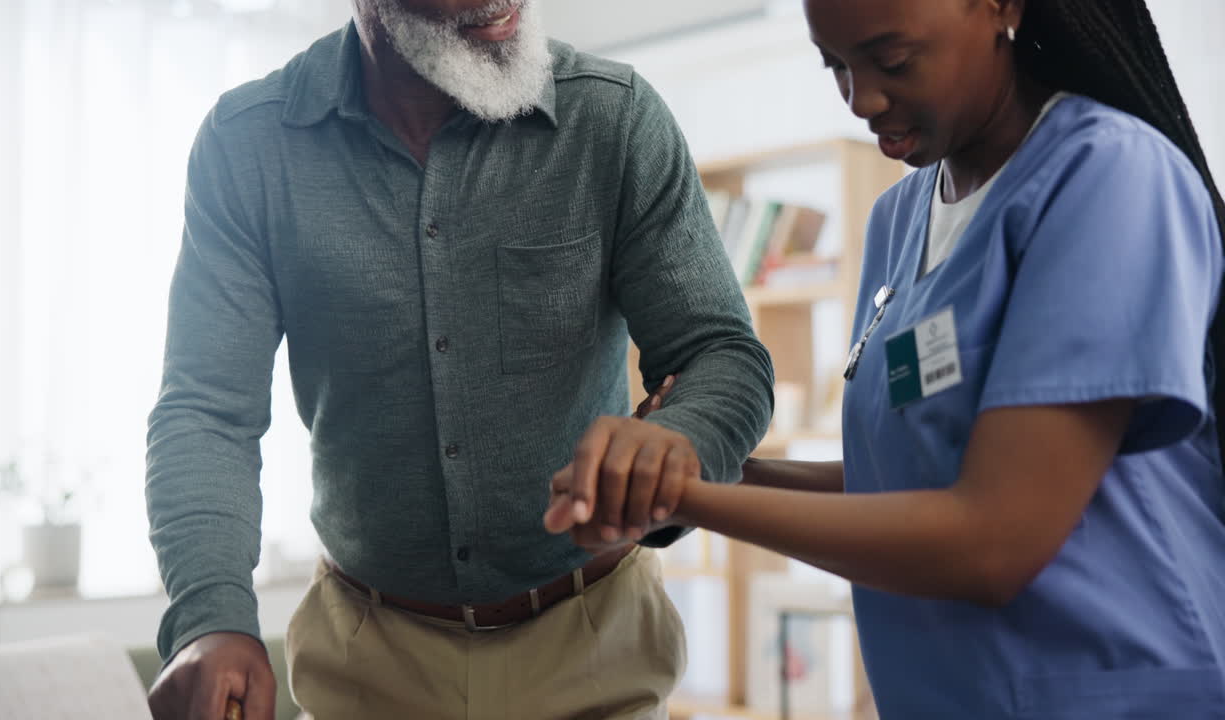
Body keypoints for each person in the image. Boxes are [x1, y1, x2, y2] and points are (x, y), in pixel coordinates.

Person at [548, 0, 1225, 717]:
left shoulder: (1106, 175)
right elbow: (902, 476)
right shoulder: (898, 220)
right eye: (835, 65)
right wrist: (704, 467)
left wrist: (689, 499)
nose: (861, 99)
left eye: (892, 60)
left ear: (1002, 8)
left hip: (1113, 693)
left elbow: (994, 540)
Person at [143, 0, 775, 718]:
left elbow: (721, 355)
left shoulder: (616, 119)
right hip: (367, 666)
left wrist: (676, 444)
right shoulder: (247, 145)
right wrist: (210, 619)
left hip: (596, 651)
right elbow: (207, 414)